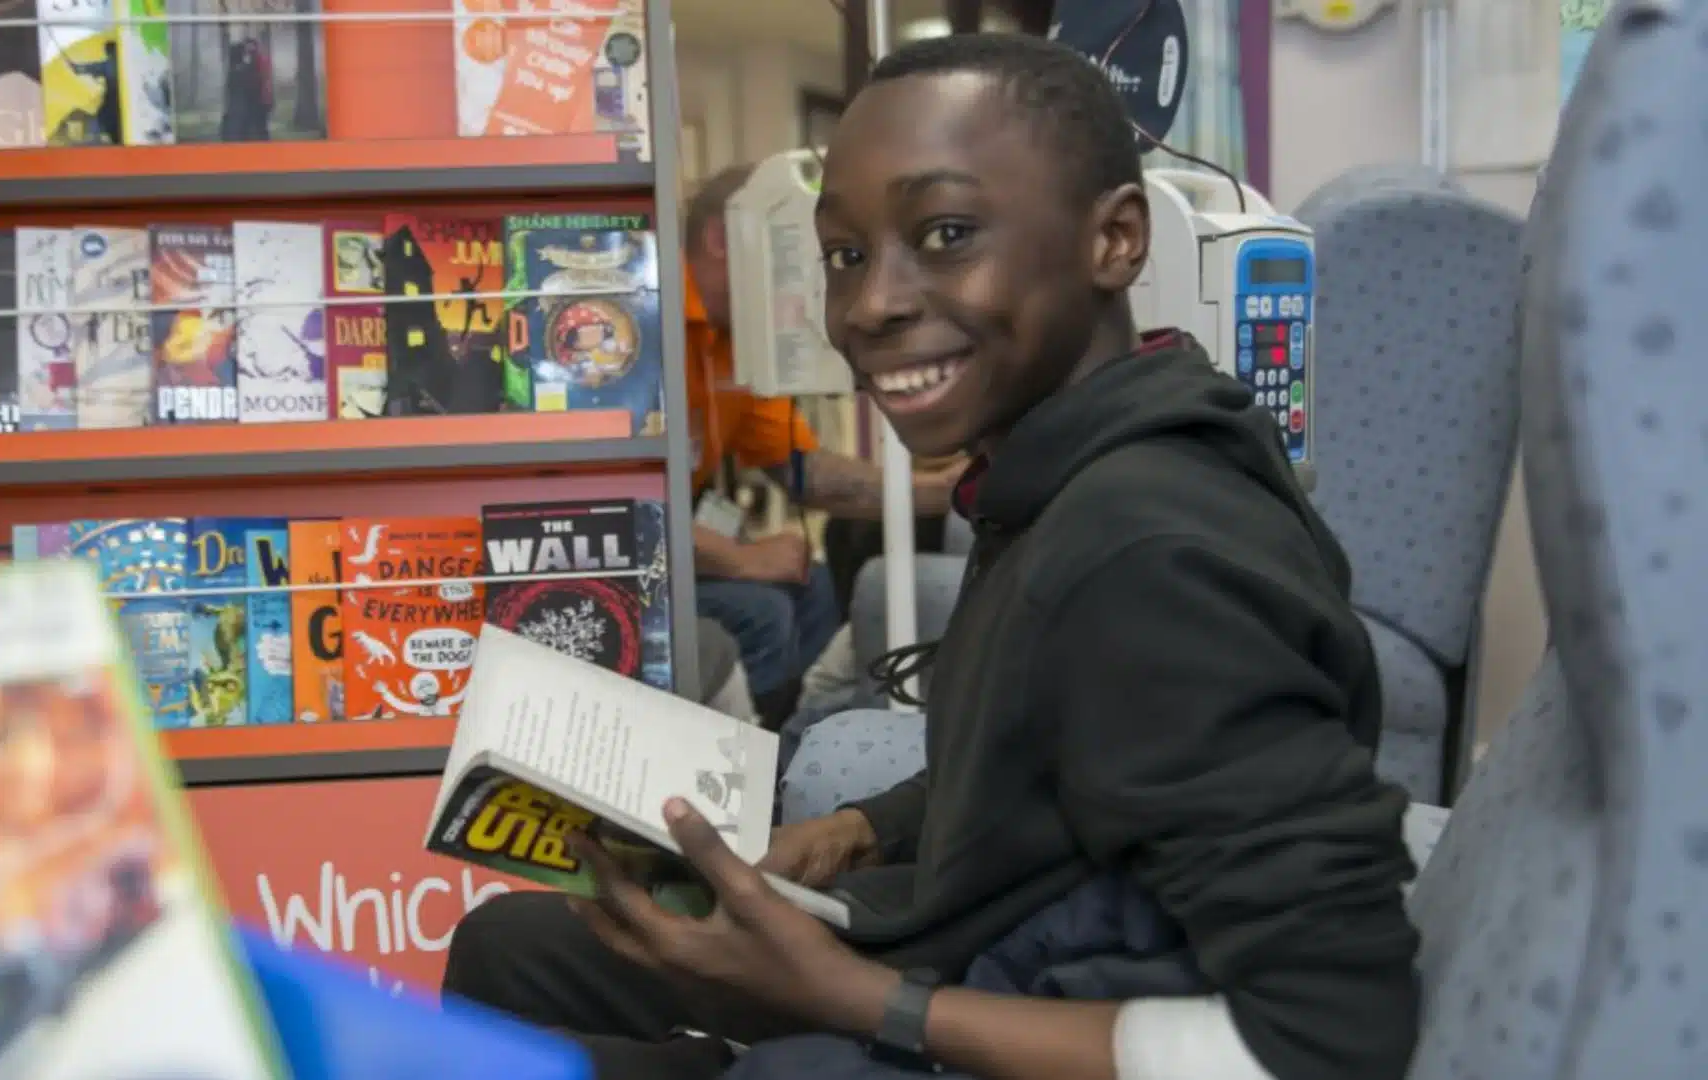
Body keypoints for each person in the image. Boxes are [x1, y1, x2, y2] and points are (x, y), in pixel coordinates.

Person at [444, 33, 1418, 1080]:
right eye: (847, 255)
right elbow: (1065, 758)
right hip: (980, 943)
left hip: (1003, 1012)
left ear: (1116, 239)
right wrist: (867, 825)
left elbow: (1331, 1040)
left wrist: (856, 1000)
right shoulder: (1073, 466)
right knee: (512, 948)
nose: (869, 306)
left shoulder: (1151, 561)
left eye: (947, 233)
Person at [680, 164, 960, 725]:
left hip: (693, 539)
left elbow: (805, 471)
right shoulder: (653, 327)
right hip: (646, 558)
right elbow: (634, 516)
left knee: (815, 585)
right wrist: (740, 559)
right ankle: (749, 777)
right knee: (760, 613)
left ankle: (802, 755)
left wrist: (944, 492)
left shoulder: (735, 343)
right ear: (719, 239)